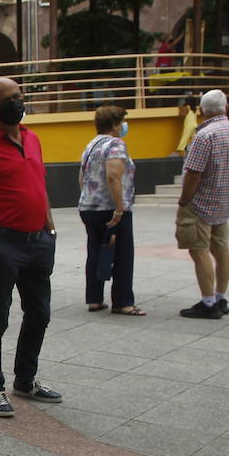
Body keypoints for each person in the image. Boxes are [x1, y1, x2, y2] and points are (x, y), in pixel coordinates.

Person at [0, 77, 63, 418]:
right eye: (7, 99)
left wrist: (48, 223)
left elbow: (39, 182)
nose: (16, 103)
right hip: (4, 244)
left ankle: (25, 380)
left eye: (18, 96)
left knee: (39, 313)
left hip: (38, 241)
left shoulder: (32, 138)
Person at [177, 88, 229, 319]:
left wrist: (184, 200)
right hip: (224, 198)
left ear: (201, 110)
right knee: (221, 249)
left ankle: (208, 303)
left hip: (200, 202)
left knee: (198, 250)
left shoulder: (204, 135)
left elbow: (193, 174)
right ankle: (221, 297)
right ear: (225, 108)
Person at [78, 105, 144, 316]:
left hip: (89, 206)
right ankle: (123, 302)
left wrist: (90, 198)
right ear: (115, 125)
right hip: (110, 207)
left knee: (96, 251)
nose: (124, 126)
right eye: (122, 121)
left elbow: (82, 178)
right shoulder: (116, 145)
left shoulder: (91, 145)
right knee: (123, 253)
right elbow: (113, 176)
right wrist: (119, 208)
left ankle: (94, 299)